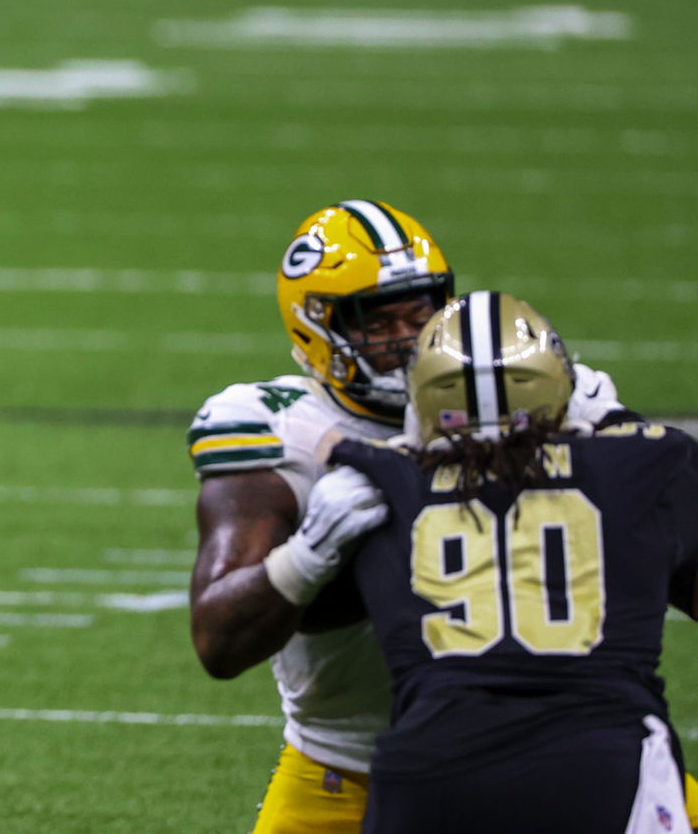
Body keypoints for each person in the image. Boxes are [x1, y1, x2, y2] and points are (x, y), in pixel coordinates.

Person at [184, 200, 637, 833]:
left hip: (550, 750)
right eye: (378, 320)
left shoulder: (534, 395)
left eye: (419, 311)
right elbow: (218, 642)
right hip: (349, 772)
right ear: (316, 328)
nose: (405, 338)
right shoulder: (277, 427)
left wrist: (612, 458)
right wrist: (310, 553)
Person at [264, 290, 697, 832]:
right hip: (600, 760)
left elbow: (330, 442)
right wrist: (611, 418)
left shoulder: (379, 476)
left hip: (427, 774)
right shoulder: (648, 458)